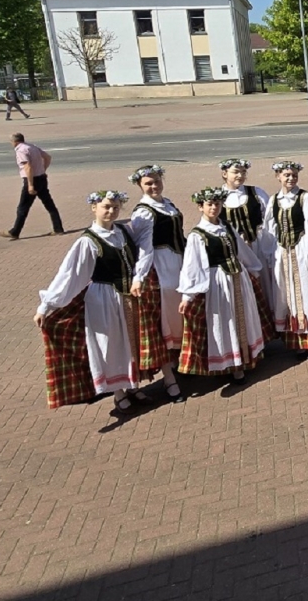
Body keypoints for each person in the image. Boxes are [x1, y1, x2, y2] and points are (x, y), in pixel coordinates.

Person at [35, 190, 146, 418]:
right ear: (93, 207)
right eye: (106, 207)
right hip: (102, 299)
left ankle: (132, 385)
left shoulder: (122, 232)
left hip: (125, 298)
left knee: (129, 341)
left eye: (115, 207)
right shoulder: (88, 241)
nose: (111, 211)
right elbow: (69, 275)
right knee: (109, 345)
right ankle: (118, 393)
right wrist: (45, 306)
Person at [178, 187, 267, 383]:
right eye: (210, 204)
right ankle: (233, 365)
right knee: (226, 321)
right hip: (218, 283)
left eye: (217, 204)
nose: (214, 208)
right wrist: (187, 295)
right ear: (200, 207)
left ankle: (247, 355)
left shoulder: (226, 226)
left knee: (244, 317)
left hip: (238, 278)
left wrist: (253, 269)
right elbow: (192, 266)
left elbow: (241, 249)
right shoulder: (197, 235)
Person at [128, 165, 187, 403]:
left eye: (156, 181)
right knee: (164, 321)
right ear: (139, 186)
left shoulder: (168, 203)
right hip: (160, 268)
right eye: (148, 184)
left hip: (179, 263)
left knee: (180, 316)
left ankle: (180, 363)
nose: (154, 186)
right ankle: (169, 377)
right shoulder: (142, 212)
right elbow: (143, 247)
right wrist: (139, 277)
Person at [263, 161, 308, 360]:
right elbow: (269, 229)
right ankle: (297, 343)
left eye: (293, 175)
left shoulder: (305, 198)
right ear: (278, 176)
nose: (290, 178)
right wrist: (270, 255)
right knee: (287, 295)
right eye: (286, 175)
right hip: (282, 253)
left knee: (307, 295)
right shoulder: (274, 200)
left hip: (302, 251)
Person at [218, 158, 276, 340]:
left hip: (257, 245)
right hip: (234, 251)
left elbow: (269, 220)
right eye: (236, 172)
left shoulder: (256, 192)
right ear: (224, 173)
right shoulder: (217, 196)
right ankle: (249, 333)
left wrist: (270, 248)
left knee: (264, 286)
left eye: (243, 172)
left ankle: (268, 331)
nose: (240, 176)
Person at [1, 133, 65, 240]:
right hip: (41, 178)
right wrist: (43, 170)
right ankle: (58, 228)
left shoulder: (21, 150)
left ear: (15, 142)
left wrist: (30, 185)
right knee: (49, 205)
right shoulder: (32, 147)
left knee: (23, 207)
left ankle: (15, 231)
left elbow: (28, 167)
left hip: (32, 180)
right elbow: (47, 157)